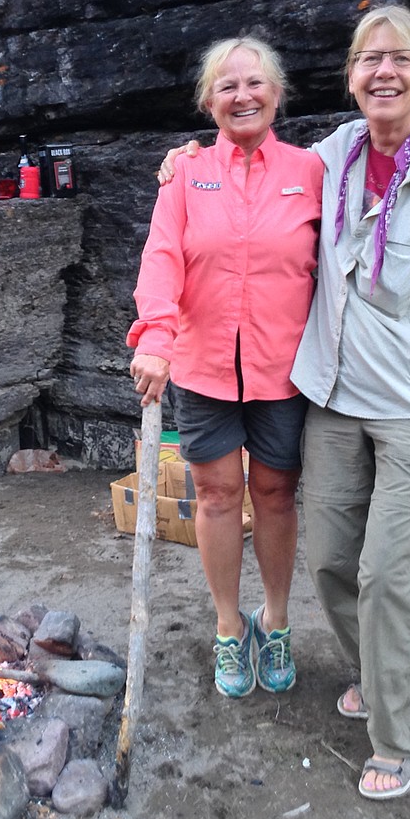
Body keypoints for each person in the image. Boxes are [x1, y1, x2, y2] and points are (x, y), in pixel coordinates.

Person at [159, 6, 410, 800]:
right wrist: (188, 159)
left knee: (388, 575)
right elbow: (246, 163)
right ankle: (395, 675)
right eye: (368, 60)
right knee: (328, 563)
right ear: (350, 77)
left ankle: (394, 736)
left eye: (400, 60)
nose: (384, 73)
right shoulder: (332, 158)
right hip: (337, 400)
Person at [127, 36, 324, 699]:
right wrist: (155, 334)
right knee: (214, 494)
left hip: (283, 367)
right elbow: (162, 258)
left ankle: (275, 618)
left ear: (278, 92)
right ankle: (225, 625)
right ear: (208, 101)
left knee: (273, 493)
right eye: (227, 85)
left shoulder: (311, 170)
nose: (242, 94)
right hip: (204, 363)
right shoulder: (184, 174)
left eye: (255, 82)